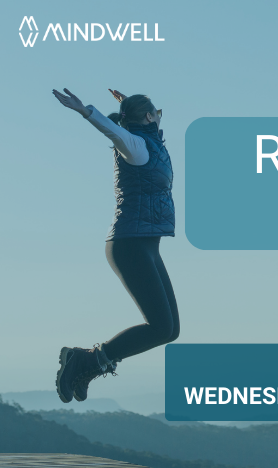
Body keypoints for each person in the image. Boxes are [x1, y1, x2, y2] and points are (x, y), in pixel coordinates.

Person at [52, 88, 179, 403]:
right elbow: (113, 129)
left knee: (170, 330)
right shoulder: (135, 146)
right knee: (161, 328)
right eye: (156, 113)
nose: (159, 116)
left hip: (146, 246)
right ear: (148, 117)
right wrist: (87, 112)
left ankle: (88, 363)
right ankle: (86, 361)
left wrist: (125, 107)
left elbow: (124, 124)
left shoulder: (148, 142)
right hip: (130, 245)